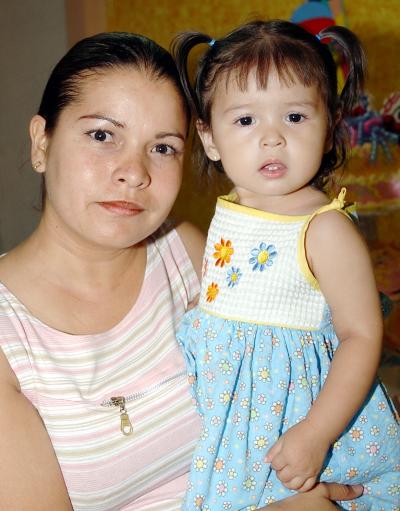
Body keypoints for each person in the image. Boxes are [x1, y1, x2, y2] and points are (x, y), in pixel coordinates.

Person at [0, 31, 363, 511]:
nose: (135, 172)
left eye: (164, 147)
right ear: (41, 142)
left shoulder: (191, 253)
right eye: (103, 135)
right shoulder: (11, 336)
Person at [172, 19, 400, 511]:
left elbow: (362, 335)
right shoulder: (231, 207)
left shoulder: (324, 229)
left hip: (298, 415)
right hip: (234, 410)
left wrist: (316, 434)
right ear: (209, 138)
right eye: (246, 120)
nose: (272, 138)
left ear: (330, 126)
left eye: (294, 117)